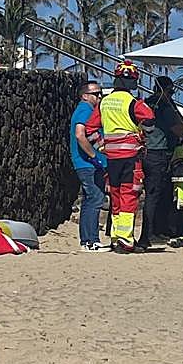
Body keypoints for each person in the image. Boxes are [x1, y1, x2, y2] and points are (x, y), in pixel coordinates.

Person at [87, 61, 155, 253]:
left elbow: (90, 128)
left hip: (112, 158)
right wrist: (143, 132)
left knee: (115, 195)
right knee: (129, 196)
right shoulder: (134, 103)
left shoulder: (104, 102)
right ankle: (126, 240)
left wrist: (101, 145)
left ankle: (117, 237)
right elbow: (150, 121)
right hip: (131, 157)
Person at [138, 75, 183, 247]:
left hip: (143, 151)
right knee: (155, 195)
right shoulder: (164, 107)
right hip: (158, 153)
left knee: (139, 194)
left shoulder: (144, 103)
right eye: (171, 91)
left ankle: (152, 231)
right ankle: (149, 234)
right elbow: (178, 129)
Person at [69, 80, 109, 252]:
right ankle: (91, 241)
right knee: (95, 199)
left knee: (89, 200)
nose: (99, 97)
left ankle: (87, 240)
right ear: (85, 96)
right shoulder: (85, 109)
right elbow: (80, 134)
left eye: (100, 94)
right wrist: (94, 157)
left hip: (87, 163)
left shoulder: (88, 110)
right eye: (96, 94)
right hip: (87, 163)